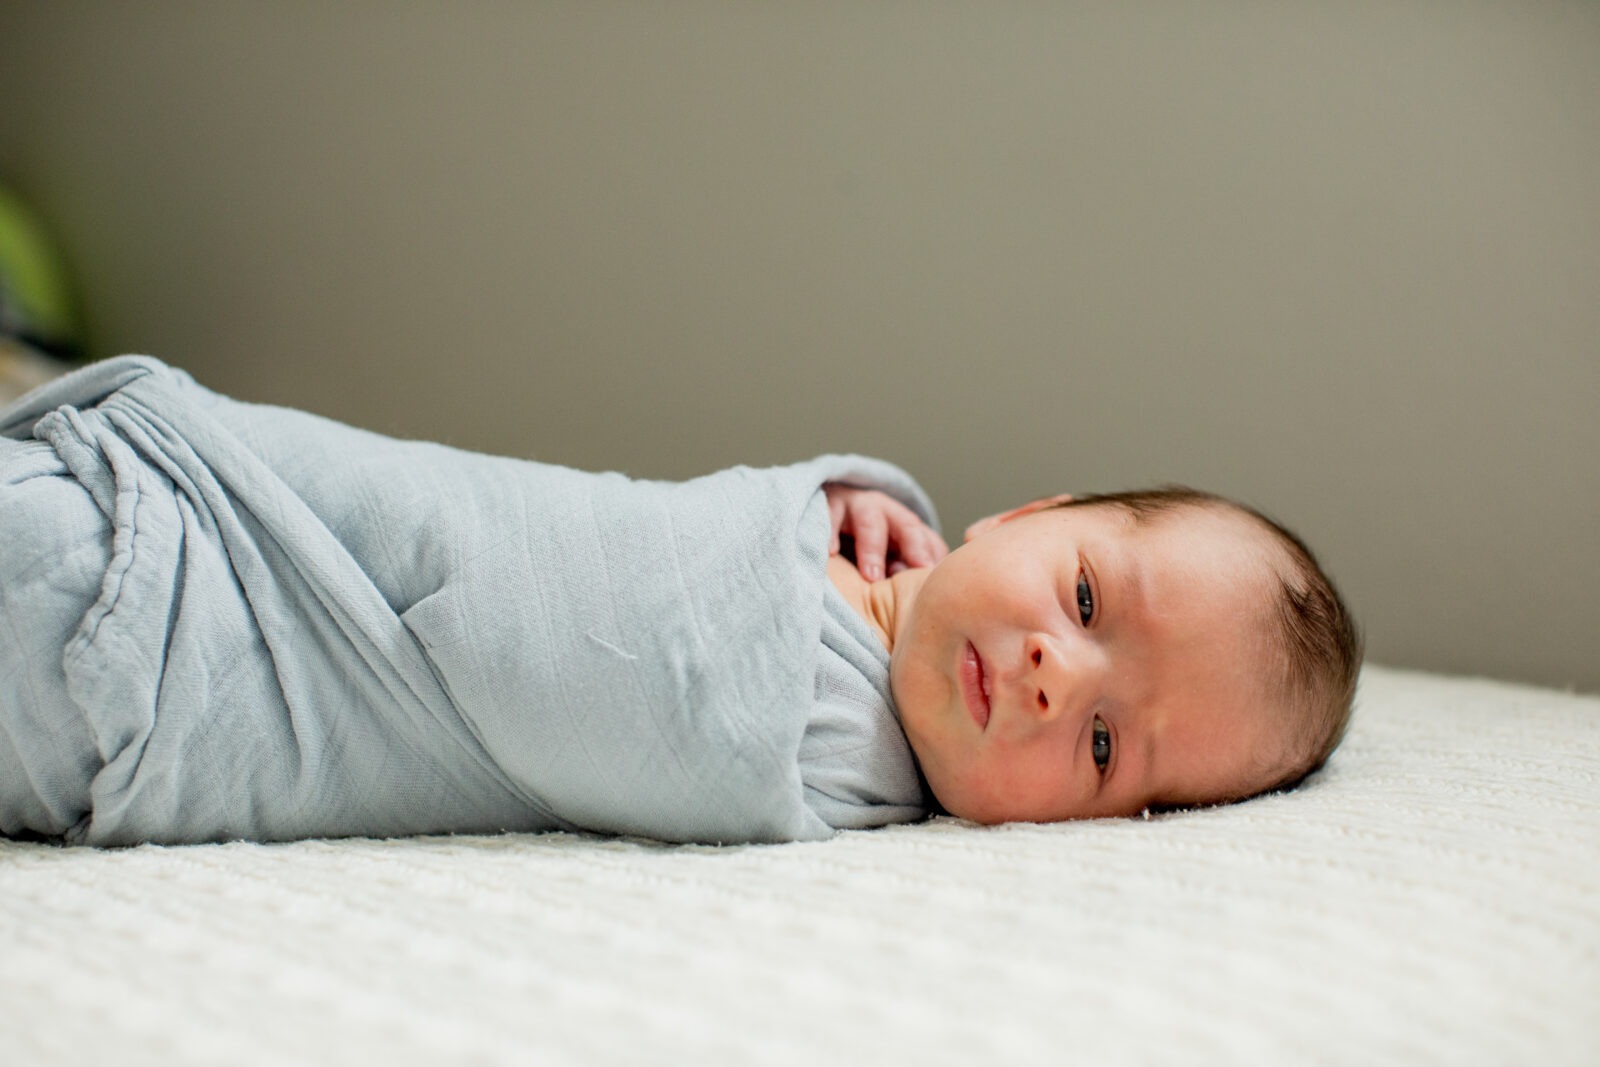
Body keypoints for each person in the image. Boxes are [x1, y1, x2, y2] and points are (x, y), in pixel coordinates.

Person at [0, 356, 1359, 846]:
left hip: (147, 640)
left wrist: (803, 519)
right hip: (149, 539)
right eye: (1081, 595)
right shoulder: (865, 579)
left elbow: (582, 631)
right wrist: (829, 492)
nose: (1063, 676)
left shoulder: (820, 747)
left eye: (1110, 749)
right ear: (1025, 514)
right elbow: (620, 527)